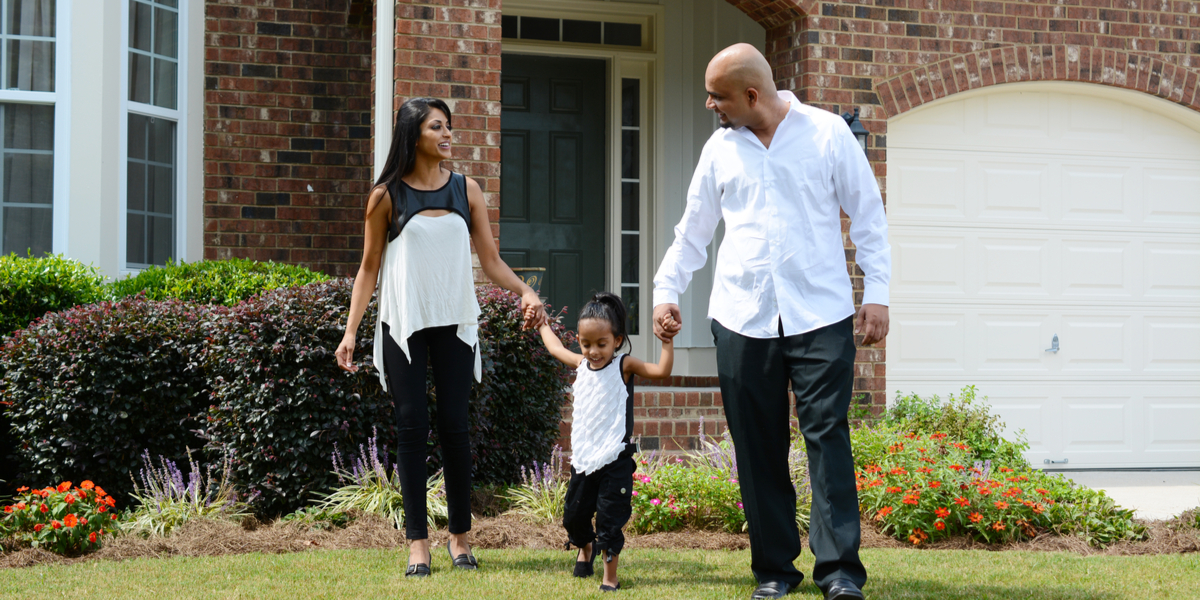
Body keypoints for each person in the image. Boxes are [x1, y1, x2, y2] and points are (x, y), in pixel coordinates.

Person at [651, 44, 890, 600]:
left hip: (821, 315)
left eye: (717, 95)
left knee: (827, 437)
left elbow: (869, 217)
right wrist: (667, 290)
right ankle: (775, 572)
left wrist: (876, 294)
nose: (709, 104)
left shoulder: (828, 134)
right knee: (756, 445)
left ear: (751, 95)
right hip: (741, 316)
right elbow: (693, 231)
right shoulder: (719, 150)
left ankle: (839, 573)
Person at [336, 97, 548, 578]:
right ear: (414, 135)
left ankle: (460, 539)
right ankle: (417, 544)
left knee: (456, 428)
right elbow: (368, 268)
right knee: (411, 431)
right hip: (403, 325)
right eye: (438, 127)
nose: (448, 134)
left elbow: (490, 261)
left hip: (455, 322)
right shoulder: (386, 196)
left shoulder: (465, 190)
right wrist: (351, 332)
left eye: (449, 127)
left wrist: (525, 291)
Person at [534, 292, 674, 592]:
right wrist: (542, 322)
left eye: (601, 344)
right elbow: (556, 348)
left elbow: (662, 371)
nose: (593, 351)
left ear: (617, 340)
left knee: (610, 521)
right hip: (584, 460)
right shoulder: (581, 365)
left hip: (615, 460)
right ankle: (585, 549)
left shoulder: (624, 366)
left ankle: (609, 577)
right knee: (573, 517)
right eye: (586, 344)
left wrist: (666, 341)